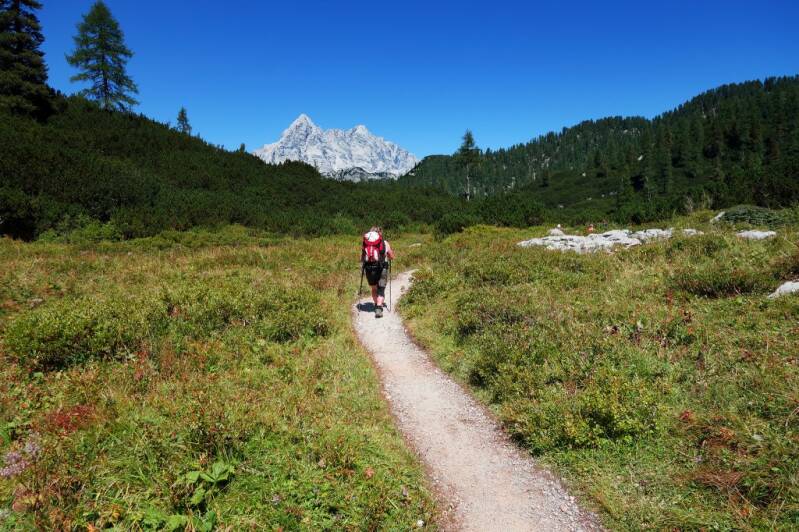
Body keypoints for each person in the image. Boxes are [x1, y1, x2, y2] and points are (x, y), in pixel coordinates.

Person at [361, 226, 395, 318]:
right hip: (382, 268)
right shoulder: (384, 243)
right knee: (381, 289)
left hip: (369, 268)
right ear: (380, 233)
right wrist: (389, 255)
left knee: (374, 288)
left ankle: (376, 304)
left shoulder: (366, 243)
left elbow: (363, 257)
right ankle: (379, 308)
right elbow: (391, 256)